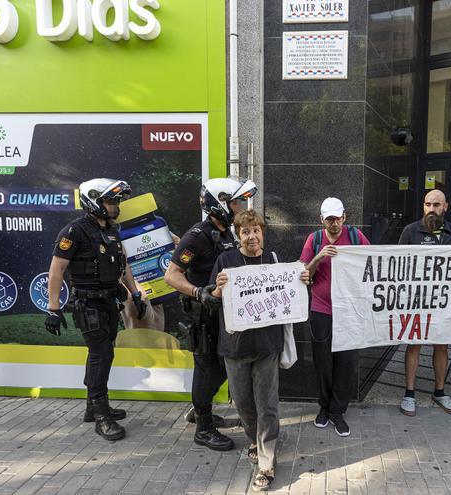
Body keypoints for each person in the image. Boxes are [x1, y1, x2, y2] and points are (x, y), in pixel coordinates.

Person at [211, 209, 310, 492]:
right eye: (245, 232)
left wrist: (302, 283)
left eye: (256, 231)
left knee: (267, 405)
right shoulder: (225, 261)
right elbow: (211, 298)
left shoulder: (275, 262)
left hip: (267, 347)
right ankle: (254, 441)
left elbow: (294, 298)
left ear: (263, 233)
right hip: (235, 347)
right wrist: (217, 291)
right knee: (243, 403)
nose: (251, 236)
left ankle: (266, 463)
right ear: (237, 235)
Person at [45, 178, 147, 441]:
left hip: (109, 302)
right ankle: (102, 417)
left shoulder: (112, 230)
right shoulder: (74, 231)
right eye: (109, 200)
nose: (114, 206)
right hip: (87, 304)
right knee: (102, 354)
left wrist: (135, 293)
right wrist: (53, 308)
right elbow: (56, 270)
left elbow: (124, 264)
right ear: (93, 200)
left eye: (116, 201)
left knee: (102, 354)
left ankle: (93, 406)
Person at [164, 177, 257, 451]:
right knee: (207, 370)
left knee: (223, 368)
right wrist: (198, 293)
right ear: (219, 204)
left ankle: (199, 409)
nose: (241, 206)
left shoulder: (227, 232)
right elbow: (172, 275)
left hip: (225, 316)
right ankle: (203, 428)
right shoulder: (197, 236)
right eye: (237, 201)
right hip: (204, 317)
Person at [397, 189, 451, 416]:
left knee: (442, 345)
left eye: (437, 205)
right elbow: (396, 265)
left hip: (443, 301)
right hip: (416, 300)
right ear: (423, 206)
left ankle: (439, 391)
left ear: (445, 207)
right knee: (414, 343)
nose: (431, 209)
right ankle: (409, 393)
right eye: (428, 204)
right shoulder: (410, 231)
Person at [299, 197, 370, 437]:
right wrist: (319, 256)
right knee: (323, 362)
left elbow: (374, 261)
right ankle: (324, 407)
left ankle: (338, 411)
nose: (334, 223)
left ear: (344, 217)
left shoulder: (356, 237)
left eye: (337, 218)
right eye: (329, 219)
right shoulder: (314, 239)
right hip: (321, 309)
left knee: (347, 362)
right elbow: (302, 273)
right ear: (322, 220)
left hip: (349, 310)